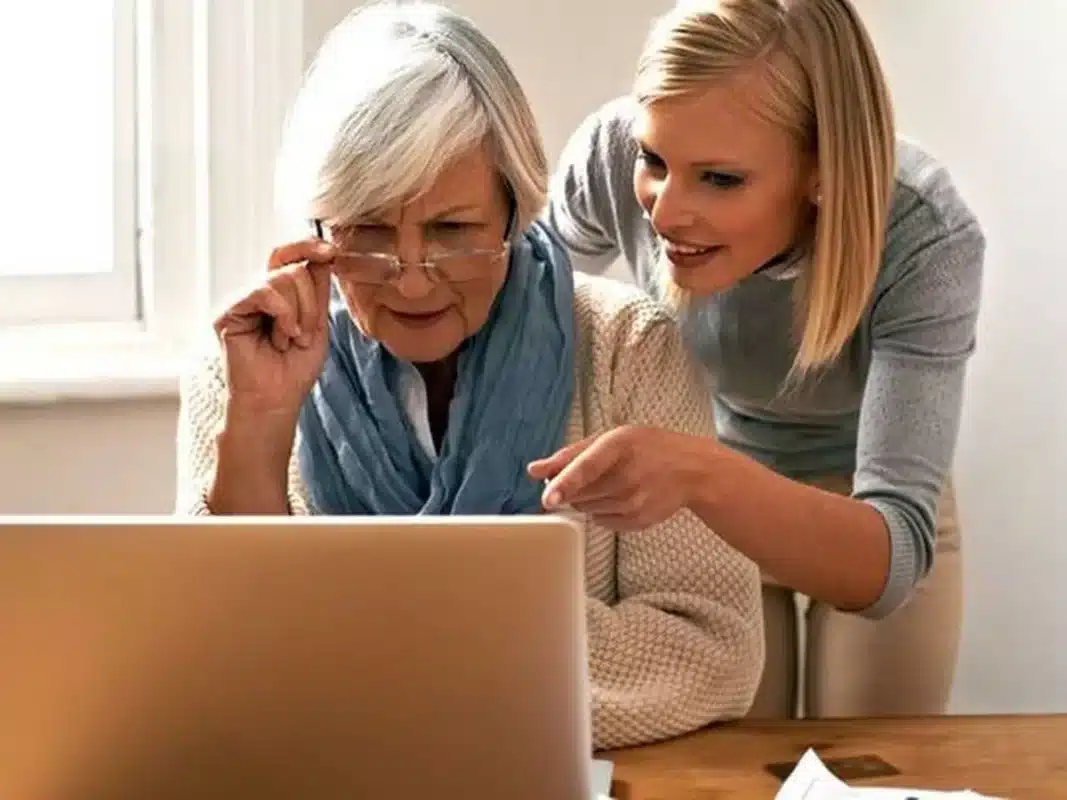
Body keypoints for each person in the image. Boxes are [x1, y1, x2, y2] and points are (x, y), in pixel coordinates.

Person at [174, 1, 763, 750]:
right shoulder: (242, 361)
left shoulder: (627, 349)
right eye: (370, 234)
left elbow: (711, 652)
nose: (413, 283)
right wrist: (258, 426)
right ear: (316, 232)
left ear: (516, 211)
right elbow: (213, 657)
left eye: (454, 232)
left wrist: (374, 655)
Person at [537, 0, 984, 719]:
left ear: (818, 171)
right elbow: (511, 305)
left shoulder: (924, 235)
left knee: (875, 766)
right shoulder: (609, 156)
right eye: (654, 160)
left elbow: (891, 557)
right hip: (703, 501)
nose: (665, 213)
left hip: (863, 510)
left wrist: (697, 470)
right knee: (731, 773)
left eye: (720, 179)